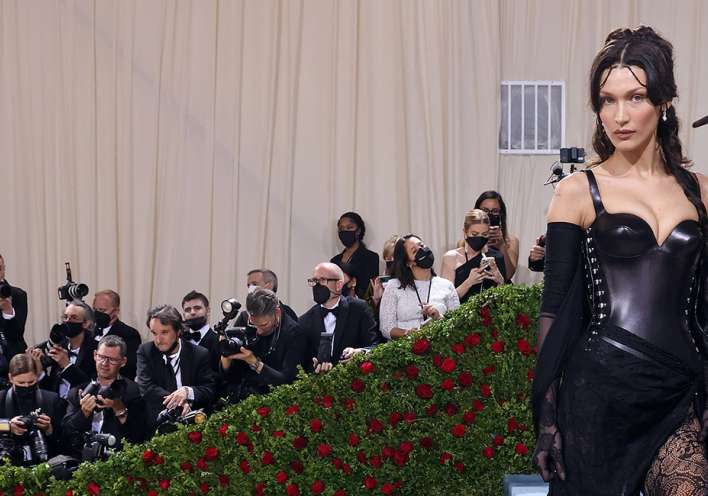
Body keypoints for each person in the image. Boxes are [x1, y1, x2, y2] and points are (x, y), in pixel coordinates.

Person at [531, 26, 708, 495]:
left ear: (665, 101)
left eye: (636, 98)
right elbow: (553, 309)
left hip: (679, 390)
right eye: (607, 101)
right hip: (599, 393)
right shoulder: (577, 191)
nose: (620, 116)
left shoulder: (701, 191)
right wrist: (547, 419)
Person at [62, 335, 146, 458]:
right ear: (95, 355)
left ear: (123, 362)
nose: (105, 363)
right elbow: (66, 432)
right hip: (82, 459)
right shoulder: (78, 391)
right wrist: (84, 412)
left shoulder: (133, 391)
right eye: (101, 357)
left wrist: (118, 408)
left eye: (112, 359)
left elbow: (139, 436)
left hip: (118, 459)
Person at [136, 305, 215, 433]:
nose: (158, 340)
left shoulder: (199, 354)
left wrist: (187, 391)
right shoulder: (145, 352)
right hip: (156, 426)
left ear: (178, 331)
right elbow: (147, 388)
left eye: (164, 332)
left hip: (192, 427)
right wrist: (177, 402)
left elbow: (208, 390)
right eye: (154, 333)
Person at [220, 288, 306, 403]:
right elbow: (231, 374)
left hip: (273, 401)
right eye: (253, 325)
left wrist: (254, 362)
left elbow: (288, 381)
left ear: (277, 313)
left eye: (264, 325)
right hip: (239, 396)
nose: (259, 331)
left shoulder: (294, 334)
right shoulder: (245, 319)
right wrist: (226, 355)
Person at [300, 263, 379, 374]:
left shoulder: (358, 309)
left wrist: (359, 352)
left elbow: (375, 346)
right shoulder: (305, 321)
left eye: (323, 280)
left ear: (339, 285)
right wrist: (315, 367)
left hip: (354, 377)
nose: (316, 285)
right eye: (314, 281)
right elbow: (303, 361)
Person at [379, 234, 460, 340]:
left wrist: (439, 317)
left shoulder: (446, 285)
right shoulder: (394, 286)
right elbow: (386, 327)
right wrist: (408, 333)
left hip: (439, 343)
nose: (423, 251)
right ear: (407, 262)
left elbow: (457, 324)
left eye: (421, 245)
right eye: (414, 251)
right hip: (406, 345)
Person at [0, 354, 65, 465]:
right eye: (21, 383)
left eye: (31, 382)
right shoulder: (1, 399)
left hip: (45, 462)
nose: (26, 386)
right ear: (10, 378)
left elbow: (63, 439)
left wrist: (48, 429)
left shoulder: (51, 400)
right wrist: (8, 426)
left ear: (37, 376)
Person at [33, 301, 99, 399]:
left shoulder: (95, 349)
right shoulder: (60, 346)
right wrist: (39, 372)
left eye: (74, 318)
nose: (67, 321)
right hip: (57, 405)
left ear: (86, 324)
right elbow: (51, 389)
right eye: (65, 317)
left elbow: (89, 385)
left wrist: (67, 366)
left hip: (80, 404)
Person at [441, 209, 507, 304]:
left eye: (484, 234)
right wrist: (469, 282)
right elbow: (446, 300)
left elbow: (503, 302)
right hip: (461, 311)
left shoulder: (496, 257)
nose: (479, 238)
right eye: (475, 234)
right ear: (465, 232)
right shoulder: (451, 258)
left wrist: (500, 282)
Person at [91, 290, 142, 380]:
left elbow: (130, 369)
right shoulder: (89, 332)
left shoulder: (129, 334)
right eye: (95, 310)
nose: (97, 314)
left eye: (102, 310)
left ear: (116, 311)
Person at [330, 212, 380, 299]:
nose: (345, 231)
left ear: (359, 230)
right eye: (341, 229)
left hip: (360, 304)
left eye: (349, 228)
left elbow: (370, 289)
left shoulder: (370, 257)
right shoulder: (334, 261)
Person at [471, 191, 520, 280]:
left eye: (495, 211)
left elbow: (508, 275)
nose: (489, 214)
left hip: (500, 286)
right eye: (485, 210)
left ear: (500, 213)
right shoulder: (466, 241)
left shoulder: (511, 241)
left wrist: (502, 245)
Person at [0, 254, 29, 368]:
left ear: (4, 268)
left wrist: (8, 311)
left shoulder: (17, 295)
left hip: (12, 361)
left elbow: (16, 335)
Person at [181, 291, 220, 370]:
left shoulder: (218, 341)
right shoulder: (179, 341)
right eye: (188, 310)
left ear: (208, 311)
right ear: (184, 315)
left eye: (197, 308)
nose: (192, 312)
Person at [364, 235, 400, 321]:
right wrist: (376, 299)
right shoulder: (377, 282)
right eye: (389, 259)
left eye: (395, 258)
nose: (392, 262)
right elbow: (367, 317)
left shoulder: (412, 281)